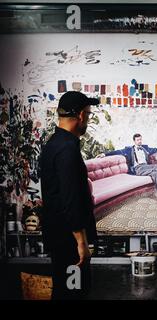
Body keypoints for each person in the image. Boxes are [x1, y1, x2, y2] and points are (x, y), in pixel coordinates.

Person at [40, 91, 98, 300]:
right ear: (81, 115)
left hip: (58, 236)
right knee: (73, 293)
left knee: (65, 291)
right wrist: (81, 242)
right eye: (89, 115)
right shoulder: (67, 150)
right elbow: (70, 199)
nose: (88, 120)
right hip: (69, 241)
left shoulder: (53, 144)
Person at [97, 134, 157, 209]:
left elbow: (155, 149)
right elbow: (117, 151)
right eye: (138, 140)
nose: (139, 141)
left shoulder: (145, 148)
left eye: (140, 139)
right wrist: (105, 154)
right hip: (137, 169)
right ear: (134, 141)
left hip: (146, 167)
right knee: (156, 167)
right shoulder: (129, 149)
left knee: (154, 173)